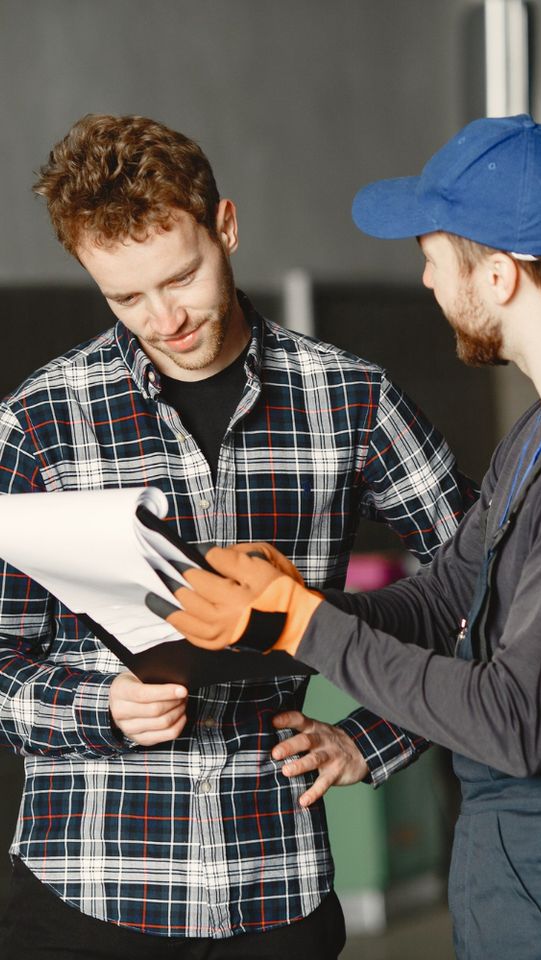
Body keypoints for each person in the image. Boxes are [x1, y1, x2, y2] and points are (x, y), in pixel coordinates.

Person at [160, 115, 541, 960]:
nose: (426, 279)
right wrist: (294, 600)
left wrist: (302, 626)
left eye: (434, 256)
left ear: (500, 275)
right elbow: (445, 602)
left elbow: (515, 720)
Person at [0, 113, 476, 959]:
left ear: (225, 226)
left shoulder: (351, 398)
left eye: (180, 277)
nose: (164, 318)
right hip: (87, 892)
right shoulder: (39, 421)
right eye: (125, 297)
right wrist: (99, 707)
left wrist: (374, 740)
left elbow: (488, 584)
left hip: (276, 889)